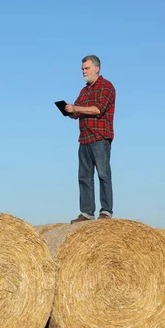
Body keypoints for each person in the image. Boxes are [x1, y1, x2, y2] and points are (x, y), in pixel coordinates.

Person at [65, 55, 116, 224]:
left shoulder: (106, 87)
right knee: (84, 177)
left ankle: (106, 211)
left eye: (86, 68)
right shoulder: (84, 91)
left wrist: (77, 108)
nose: (83, 72)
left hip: (100, 138)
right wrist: (71, 111)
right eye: (82, 69)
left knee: (103, 175)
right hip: (84, 139)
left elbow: (98, 109)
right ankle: (87, 212)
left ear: (97, 68)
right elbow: (78, 112)